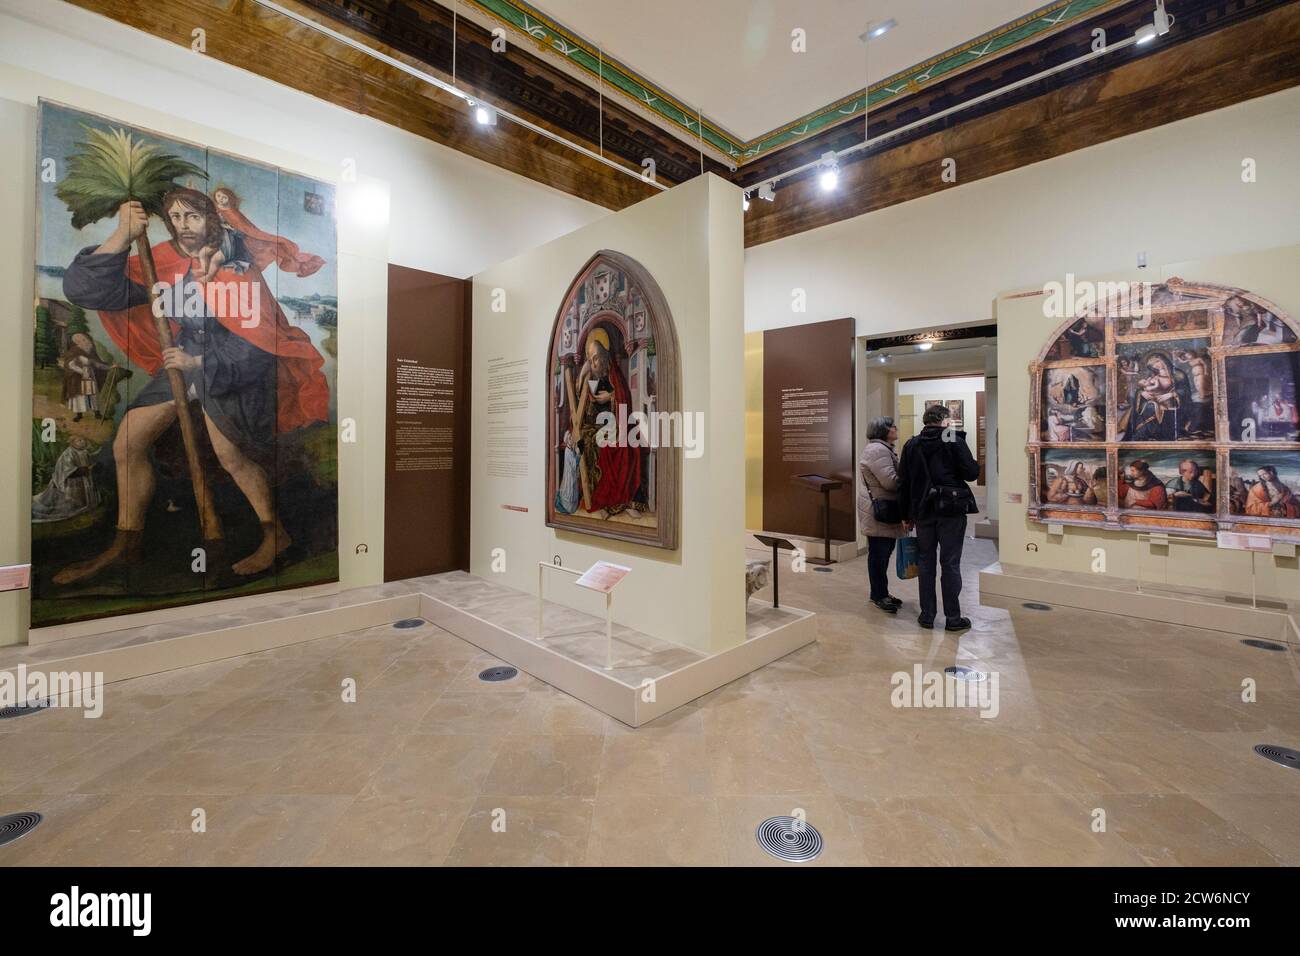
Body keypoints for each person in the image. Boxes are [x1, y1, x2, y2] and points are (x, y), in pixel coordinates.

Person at [55, 190, 329, 584]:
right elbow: (89, 291)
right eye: (176, 218)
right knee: (127, 442)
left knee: (230, 455)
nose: (184, 226)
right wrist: (122, 235)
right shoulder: (164, 262)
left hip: (231, 364)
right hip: (183, 360)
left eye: (193, 217)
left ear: (210, 221)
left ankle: (276, 536)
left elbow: (258, 342)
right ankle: (126, 544)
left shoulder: (236, 266)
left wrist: (200, 363)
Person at [897, 405, 979, 631]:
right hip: (951, 510)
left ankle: (927, 616)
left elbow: (903, 482)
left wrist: (905, 514)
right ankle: (953, 618)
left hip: (923, 511)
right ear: (944, 420)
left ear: (925, 421)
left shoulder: (912, 444)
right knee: (950, 563)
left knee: (925, 562)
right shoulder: (953, 439)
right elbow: (971, 473)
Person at [857, 416, 909, 614]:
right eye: (891, 426)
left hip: (882, 507)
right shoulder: (878, 450)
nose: (895, 428)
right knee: (879, 555)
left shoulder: (882, 449)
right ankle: (879, 595)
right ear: (883, 431)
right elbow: (890, 482)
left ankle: (881, 592)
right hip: (879, 508)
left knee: (882, 554)